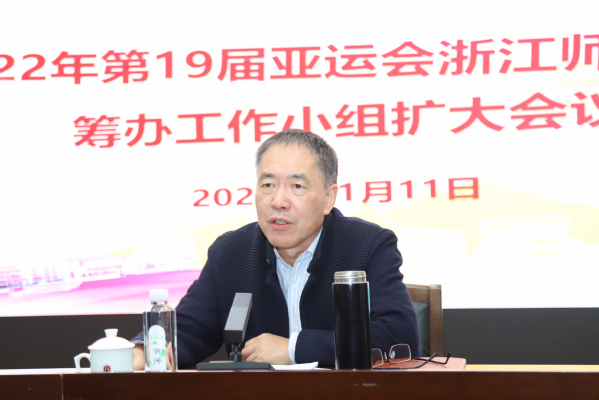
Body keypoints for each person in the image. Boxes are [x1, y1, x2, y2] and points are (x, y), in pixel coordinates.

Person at [132, 129, 418, 369]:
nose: (279, 201)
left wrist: (294, 349)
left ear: (328, 198)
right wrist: (143, 351)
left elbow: (399, 338)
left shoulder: (367, 246)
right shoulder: (230, 252)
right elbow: (189, 330)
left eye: (297, 186)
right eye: (268, 184)